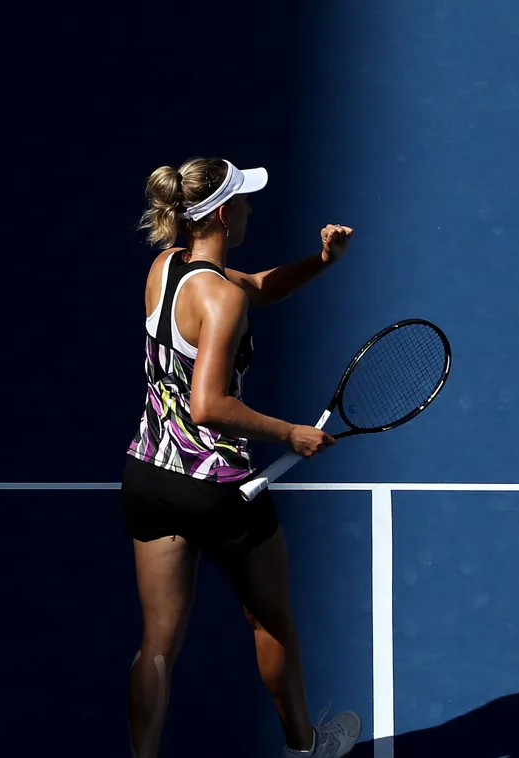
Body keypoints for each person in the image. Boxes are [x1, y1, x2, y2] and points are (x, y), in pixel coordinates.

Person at [120, 156, 363, 758]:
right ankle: (304, 748)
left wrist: (321, 264)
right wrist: (290, 433)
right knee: (273, 624)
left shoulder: (165, 267)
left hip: (150, 476)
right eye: (246, 201)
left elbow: (254, 286)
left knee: (157, 645)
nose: (253, 209)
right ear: (225, 213)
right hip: (219, 488)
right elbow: (208, 405)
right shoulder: (221, 299)